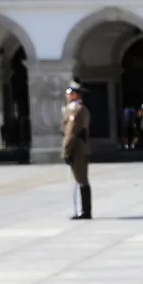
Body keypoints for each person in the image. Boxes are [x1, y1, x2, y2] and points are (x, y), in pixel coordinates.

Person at [62, 82, 92, 220]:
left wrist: (66, 150)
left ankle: (86, 211)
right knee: (80, 179)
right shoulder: (73, 109)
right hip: (77, 147)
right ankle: (85, 210)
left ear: (75, 94)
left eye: (69, 93)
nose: (67, 96)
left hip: (77, 148)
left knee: (81, 179)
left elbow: (71, 132)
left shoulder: (77, 110)